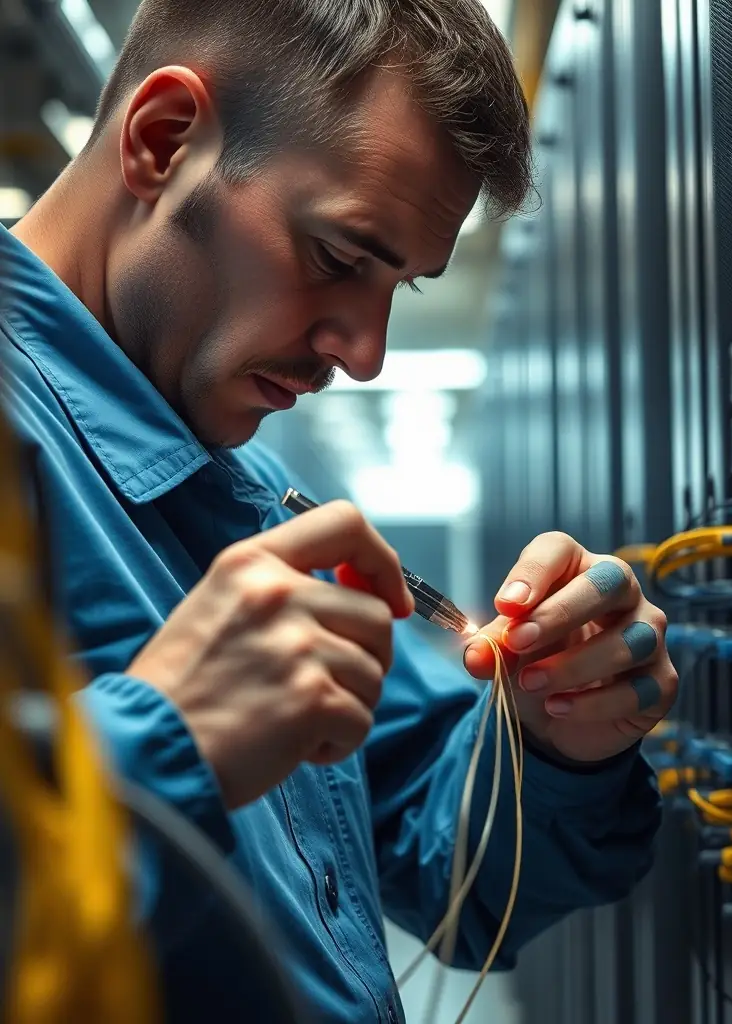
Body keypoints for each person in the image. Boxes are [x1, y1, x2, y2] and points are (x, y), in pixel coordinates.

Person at [1, 1, 678, 1020]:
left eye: (399, 285)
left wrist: (553, 736)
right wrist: (160, 743)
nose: (364, 354)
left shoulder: (234, 493)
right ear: (163, 141)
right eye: (337, 256)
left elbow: (441, 863)